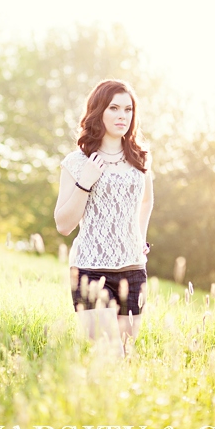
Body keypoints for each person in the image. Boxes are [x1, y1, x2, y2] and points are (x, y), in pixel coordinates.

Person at [54, 79, 153, 345]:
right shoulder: (76, 162)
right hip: (90, 271)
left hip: (133, 271)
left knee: (125, 358)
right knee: (109, 354)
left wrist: (140, 237)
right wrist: (85, 181)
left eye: (128, 110)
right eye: (114, 108)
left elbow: (146, 201)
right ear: (99, 111)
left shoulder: (140, 158)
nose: (122, 116)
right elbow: (63, 225)